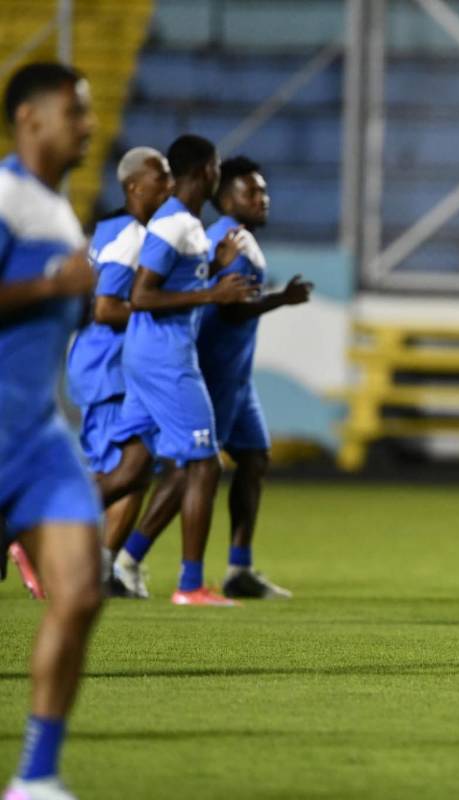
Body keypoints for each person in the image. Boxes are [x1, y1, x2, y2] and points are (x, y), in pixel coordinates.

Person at [107, 155, 311, 600]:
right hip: (211, 372)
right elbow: (228, 308)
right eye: (250, 191)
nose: (263, 198)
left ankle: (239, 567)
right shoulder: (217, 235)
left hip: (238, 377)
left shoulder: (237, 241)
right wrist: (281, 300)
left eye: (263, 190)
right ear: (223, 195)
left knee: (254, 458)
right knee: (191, 469)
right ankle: (129, 560)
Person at [0, 61, 102, 800]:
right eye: (76, 111)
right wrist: (54, 287)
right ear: (29, 118)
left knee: (80, 591)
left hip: (37, 438)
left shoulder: (62, 215)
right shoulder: (4, 198)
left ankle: (37, 776)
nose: (89, 125)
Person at [101, 133, 254, 606]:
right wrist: (214, 294)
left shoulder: (183, 226)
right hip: (167, 360)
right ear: (207, 170)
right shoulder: (174, 225)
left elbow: (173, 281)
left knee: (130, 472)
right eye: (216, 166)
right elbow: (142, 296)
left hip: (149, 357)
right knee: (204, 463)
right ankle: (190, 584)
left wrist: (213, 264)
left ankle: (22, 523)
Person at [64, 146, 173, 595]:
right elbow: (107, 308)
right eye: (161, 180)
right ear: (134, 187)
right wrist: (164, 314)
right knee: (127, 470)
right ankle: (35, 532)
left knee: (131, 469)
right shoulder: (131, 235)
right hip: (111, 367)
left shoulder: (105, 230)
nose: (169, 188)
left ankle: (100, 565)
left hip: (98, 363)